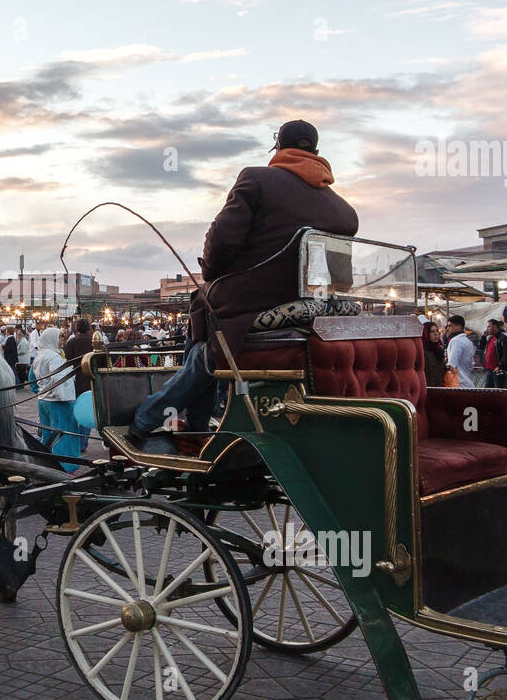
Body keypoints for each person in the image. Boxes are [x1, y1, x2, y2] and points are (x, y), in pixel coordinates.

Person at [130, 120, 359, 448]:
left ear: (278, 148)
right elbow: (342, 280)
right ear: (317, 153)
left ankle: (151, 417)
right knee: (205, 319)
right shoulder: (342, 210)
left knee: (203, 310)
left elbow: (220, 247)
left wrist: (211, 270)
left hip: (246, 305)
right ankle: (193, 422)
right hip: (310, 308)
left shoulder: (256, 179)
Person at [30, 327, 80, 471]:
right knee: (63, 437)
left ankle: (47, 465)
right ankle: (64, 468)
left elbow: (32, 378)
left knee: (48, 437)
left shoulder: (40, 355)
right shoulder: (53, 357)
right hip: (58, 403)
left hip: (43, 401)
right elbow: (60, 380)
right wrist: (67, 399)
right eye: (60, 338)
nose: (62, 341)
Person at [64, 318, 94, 453]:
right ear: (88, 327)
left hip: (74, 381)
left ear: (76, 328)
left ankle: (76, 441)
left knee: (74, 411)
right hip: (91, 380)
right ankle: (83, 443)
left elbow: (67, 361)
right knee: (86, 412)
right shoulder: (93, 341)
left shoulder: (70, 342)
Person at [482, 317, 507, 389]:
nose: (487, 328)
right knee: (488, 391)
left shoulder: (503, 338)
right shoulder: (490, 338)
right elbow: (482, 347)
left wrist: (501, 367)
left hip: (498, 370)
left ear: (495, 326)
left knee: (500, 390)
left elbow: (506, 354)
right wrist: (483, 337)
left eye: (489, 326)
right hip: (489, 369)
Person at [444, 314, 476, 388]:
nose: (448, 328)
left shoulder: (456, 341)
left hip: (459, 382)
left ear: (459, 326)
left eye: (450, 326)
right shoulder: (467, 341)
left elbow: (452, 364)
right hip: (466, 380)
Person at [421, 320, 445, 387]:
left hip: (439, 389)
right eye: (432, 331)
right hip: (427, 389)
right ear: (425, 334)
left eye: (437, 331)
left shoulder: (438, 350)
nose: (436, 334)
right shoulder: (422, 352)